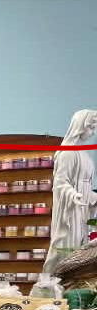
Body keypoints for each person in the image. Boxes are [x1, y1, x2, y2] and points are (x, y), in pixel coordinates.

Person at [43, 109, 97, 272]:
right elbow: (60, 182)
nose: (93, 132)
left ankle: (75, 281)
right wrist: (73, 195)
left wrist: (93, 198)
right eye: (91, 127)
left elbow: (86, 187)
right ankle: (58, 281)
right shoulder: (67, 152)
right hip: (70, 210)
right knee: (68, 247)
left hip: (82, 211)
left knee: (80, 249)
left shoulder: (85, 156)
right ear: (80, 126)